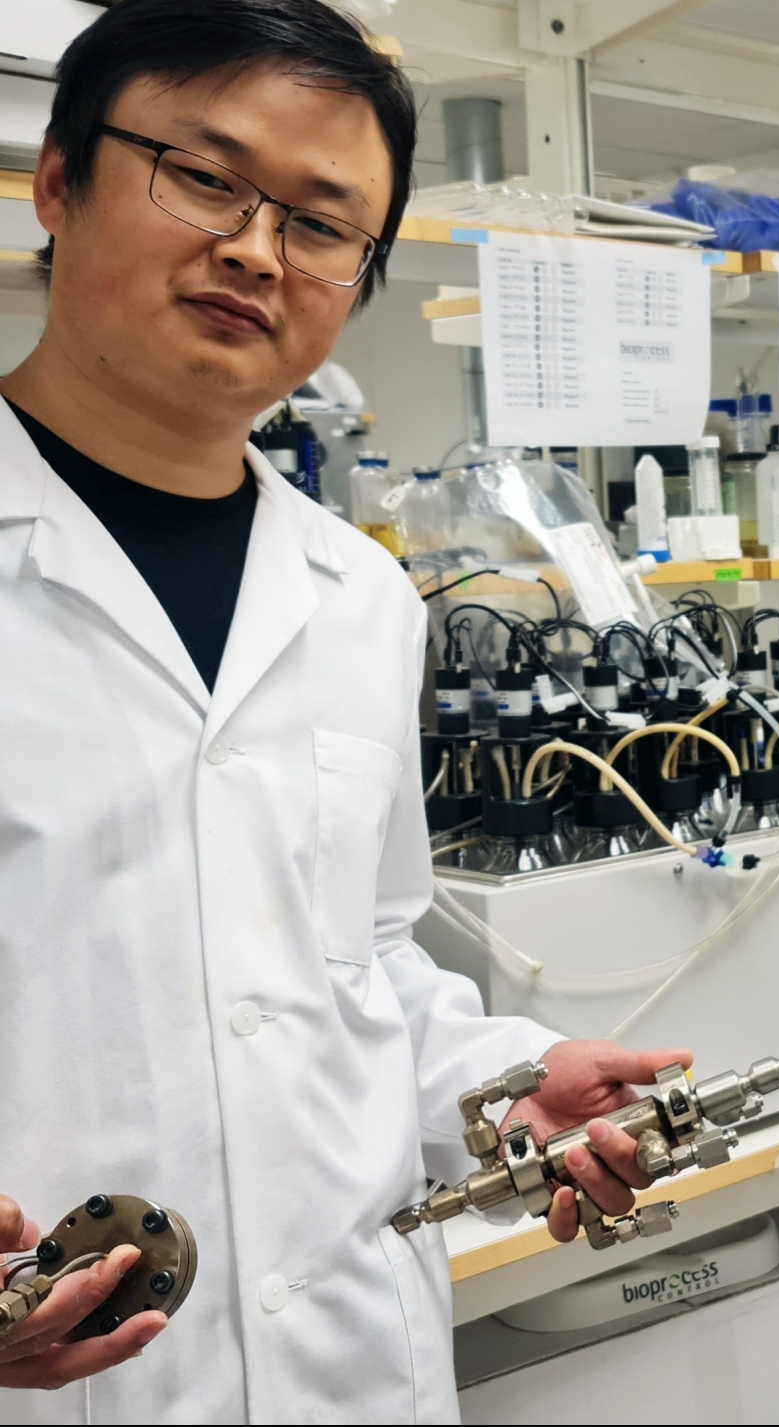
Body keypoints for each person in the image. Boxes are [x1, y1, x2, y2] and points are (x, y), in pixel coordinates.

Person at [0, 2, 684, 1418]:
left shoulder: (362, 600)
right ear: (57, 179)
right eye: (204, 175)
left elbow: (355, 968)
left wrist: (500, 1084)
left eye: (321, 223)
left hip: (352, 1372)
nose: (256, 249)